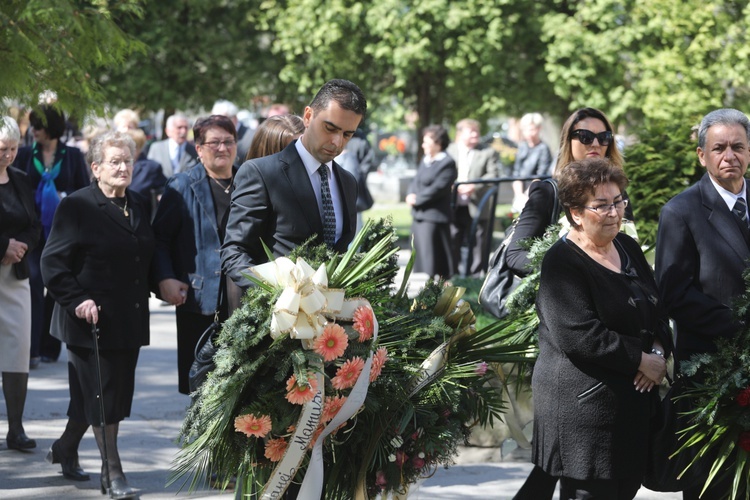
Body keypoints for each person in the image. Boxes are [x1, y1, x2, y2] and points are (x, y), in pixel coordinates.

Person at [508, 107, 630, 500]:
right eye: (585, 136)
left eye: (603, 137)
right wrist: (573, 268)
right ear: (568, 140)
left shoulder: (615, 189)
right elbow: (516, 255)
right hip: (561, 325)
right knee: (560, 464)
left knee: (560, 469)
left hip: (612, 324)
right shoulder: (550, 190)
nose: (595, 144)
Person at [533, 157, 670, 499]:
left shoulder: (628, 247)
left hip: (630, 415)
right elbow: (578, 335)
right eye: (602, 205)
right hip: (585, 418)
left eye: (618, 202)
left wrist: (657, 351)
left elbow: (656, 308)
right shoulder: (561, 262)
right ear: (576, 213)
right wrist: (639, 360)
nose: (614, 212)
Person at [41, 131, 154, 499]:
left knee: (102, 395)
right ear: (96, 168)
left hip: (129, 317)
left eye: (127, 160)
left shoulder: (137, 202)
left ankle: (65, 448)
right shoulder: (78, 205)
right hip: (88, 320)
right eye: (114, 161)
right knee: (103, 394)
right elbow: (52, 262)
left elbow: (142, 257)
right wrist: (77, 299)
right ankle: (113, 474)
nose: (123, 167)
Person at [655, 108, 750, 500]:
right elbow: (674, 293)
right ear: (701, 155)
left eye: (738, 147)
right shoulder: (681, 211)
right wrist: (740, 327)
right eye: (719, 148)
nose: (730, 155)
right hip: (712, 376)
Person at [222, 79, 365, 292]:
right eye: (330, 128)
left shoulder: (347, 182)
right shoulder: (262, 173)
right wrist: (277, 296)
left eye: (347, 134)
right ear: (308, 116)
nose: (337, 142)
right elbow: (235, 252)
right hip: (277, 317)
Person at [152, 115, 238, 395]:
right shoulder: (181, 186)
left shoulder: (248, 183)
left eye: (228, 141)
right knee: (201, 387)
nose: (222, 148)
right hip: (199, 299)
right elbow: (160, 239)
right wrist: (165, 278)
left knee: (239, 386)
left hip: (242, 299)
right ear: (198, 149)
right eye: (214, 142)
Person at [12, 105, 90, 368]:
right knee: (33, 282)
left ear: (52, 128)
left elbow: (82, 190)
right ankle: (31, 349)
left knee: (56, 287)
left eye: (39, 126)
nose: (33, 131)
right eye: (32, 126)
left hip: (63, 230)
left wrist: (64, 198)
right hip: (32, 230)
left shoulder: (73, 156)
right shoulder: (23, 154)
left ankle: (49, 346)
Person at [0, 116, 42, 451]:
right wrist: (3, 246)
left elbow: (34, 224)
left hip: (15, 276)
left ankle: (16, 428)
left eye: (13, 149)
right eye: (2, 149)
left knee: (17, 353)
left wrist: (20, 247)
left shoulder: (21, 179)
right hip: (5, 258)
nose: (8, 155)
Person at [446, 118, 499, 277]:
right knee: (453, 238)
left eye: (477, 131)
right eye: (472, 132)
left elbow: (493, 174)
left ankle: (475, 277)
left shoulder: (488, 152)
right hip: (454, 204)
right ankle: (452, 276)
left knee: (477, 241)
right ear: (460, 134)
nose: (476, 135)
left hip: (477, 204)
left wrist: (473, 186)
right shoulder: (450, 150)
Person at [406, 125, 457, 279]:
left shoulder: (447, 163)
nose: (423, 145)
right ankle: (427, 287)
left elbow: (438, 188)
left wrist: (417, 199)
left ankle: (438, 290)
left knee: (435, 258)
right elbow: (416, 181)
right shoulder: (426, 160)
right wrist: (410, 194)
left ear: (438, 143)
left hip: (434, 217)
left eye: (426, 142)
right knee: (424, 258)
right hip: (420, 215)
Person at [335, 128, 375, 235]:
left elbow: (367, 161)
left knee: (354, 232)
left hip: (354, 192)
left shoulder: (360, 139)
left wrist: (359, 174)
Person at [511, 112, 552, 212]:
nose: (529, 132)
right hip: (521, 191)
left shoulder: (543, 148)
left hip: (536, 191)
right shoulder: (522, 147)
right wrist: (519, 195)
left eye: (532, 129)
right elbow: (516, 172)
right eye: (526, 129)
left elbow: (541, 174)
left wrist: (526, 194)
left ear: (539, 129)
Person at [126, 128, 167, 221]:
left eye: (132, 147)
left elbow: (164, 188)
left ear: (139, 147)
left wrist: (161, 195)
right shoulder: (114, 166)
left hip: (141, 219)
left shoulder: (151, 167)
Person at [147, 114, 199, 178]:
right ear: (168, 131)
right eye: (179, 127)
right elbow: (149, 172)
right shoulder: (156, 148)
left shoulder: (194, 150)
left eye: (186, 128)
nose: (183, 131)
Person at [211, 100, 254, 166]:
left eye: (222, 120)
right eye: (215, 121)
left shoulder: (251, 137)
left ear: (234, 118)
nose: (218, 125)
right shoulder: (217, 137)